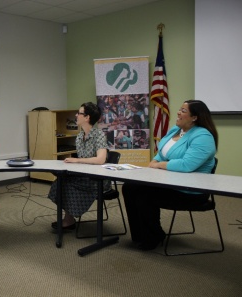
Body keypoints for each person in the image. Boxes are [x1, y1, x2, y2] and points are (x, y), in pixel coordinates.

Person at [122, 100, 218, 250]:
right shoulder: (175, 130)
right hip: (170, 183)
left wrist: (158, 165)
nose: (178, 113)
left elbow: (187, 164)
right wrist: (154, 160)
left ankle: (154, 236)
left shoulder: (203, 136)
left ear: (195, 117)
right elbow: (162, 153)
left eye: (183, 111)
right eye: (180, 109)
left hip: (191, 190)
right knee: (130, 187)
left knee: (144, 194)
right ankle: (140, 235)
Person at [48, 102, 111, 230]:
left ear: (87, 118)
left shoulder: (98, 135)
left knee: (67, 184)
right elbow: (83, 162)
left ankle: (68, 219)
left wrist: (77, 160)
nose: (76, 115)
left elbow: (100, 159)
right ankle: (69, 219)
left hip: (97, 179)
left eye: (79, 113)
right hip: (84, 175)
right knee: (60, 182)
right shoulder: (80, 136)